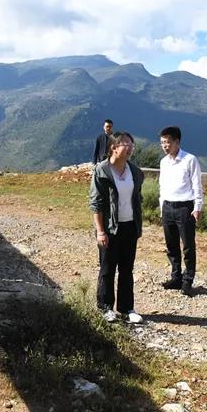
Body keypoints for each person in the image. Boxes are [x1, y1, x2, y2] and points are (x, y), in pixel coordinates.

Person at [89, 131, 145, 324]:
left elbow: (138, 198)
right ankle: (105, 307)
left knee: (127, 268)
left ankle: (126, 308)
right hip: (110, 228)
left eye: (132, 145)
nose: (130, 148)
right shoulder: (102, 171)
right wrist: (100, 231)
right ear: (114, 147)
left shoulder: (135, 172)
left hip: (130, 226)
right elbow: (96, 203)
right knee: (107, 268)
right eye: (126, 144)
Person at [158, 126, 202, 296]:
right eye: (162, 142)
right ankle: (176, 277)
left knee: (188, 246)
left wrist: (197, 207)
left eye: (168, 142)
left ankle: (188, 280)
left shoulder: (190, 160)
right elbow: (162, 186)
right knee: (171, 245)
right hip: (167, 207)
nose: (165, 146)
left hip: (185, 207)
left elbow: (197, 184)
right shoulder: (163, 162)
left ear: (177, 142)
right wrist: (162, 207)